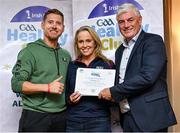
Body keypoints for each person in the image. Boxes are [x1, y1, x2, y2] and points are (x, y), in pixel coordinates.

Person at [98, 3, 177, 132]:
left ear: (139, 20)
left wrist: (113, 91)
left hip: (150, 116)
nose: (126, 25)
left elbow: (148, 77)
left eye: (130, 20)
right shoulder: (119, 51)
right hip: (127, 116)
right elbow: (121, 79)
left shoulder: (153, 41)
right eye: (121, 22)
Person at [11, 9, 71, 132]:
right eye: (50, 22)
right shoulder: (30, 51)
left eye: (58, 23)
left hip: (61, 116)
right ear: (43, 25)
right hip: (35, 116)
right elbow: (16, 84)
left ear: (63, 28)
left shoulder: (66, 55)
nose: (54, 26)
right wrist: (47, 87)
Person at [65, 26, 114, 132]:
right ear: (77, 45)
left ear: (95, 42)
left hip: (99, 120)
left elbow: (116, 94)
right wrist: (70, 99)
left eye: (88, 41)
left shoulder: (108, 64)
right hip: (74, 121)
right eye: (81, 42)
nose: (84, 45)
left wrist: (110, 96)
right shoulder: (72, 66)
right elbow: (65, 96)